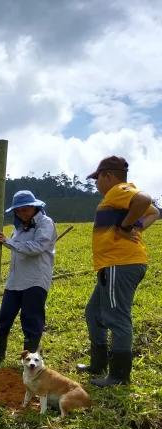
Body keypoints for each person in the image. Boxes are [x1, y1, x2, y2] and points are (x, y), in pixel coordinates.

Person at [76, 156, 159, 387]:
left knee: (116, 317)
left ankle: (119, 376)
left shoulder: (118, 191)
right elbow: (153, 213)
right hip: (114, 265)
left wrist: (126, 227)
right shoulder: (120, 195)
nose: (96, 184)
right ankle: (98, 364)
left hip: (119, 263)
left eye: (97, 178)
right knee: (94, 312)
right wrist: (133, 226)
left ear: (108, 176)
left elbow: (144, 200)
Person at [0, 191, 57, 361]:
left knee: (31, 320)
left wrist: (10, 242)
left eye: (25, 210)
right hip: (14, 281)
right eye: (18, 211)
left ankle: (29, 362)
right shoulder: (18, 228)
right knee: (3, 318)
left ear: (35, 207)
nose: (22, 214)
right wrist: (11, 241)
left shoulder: (45, 223)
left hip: (35, 280)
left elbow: (37, 247)